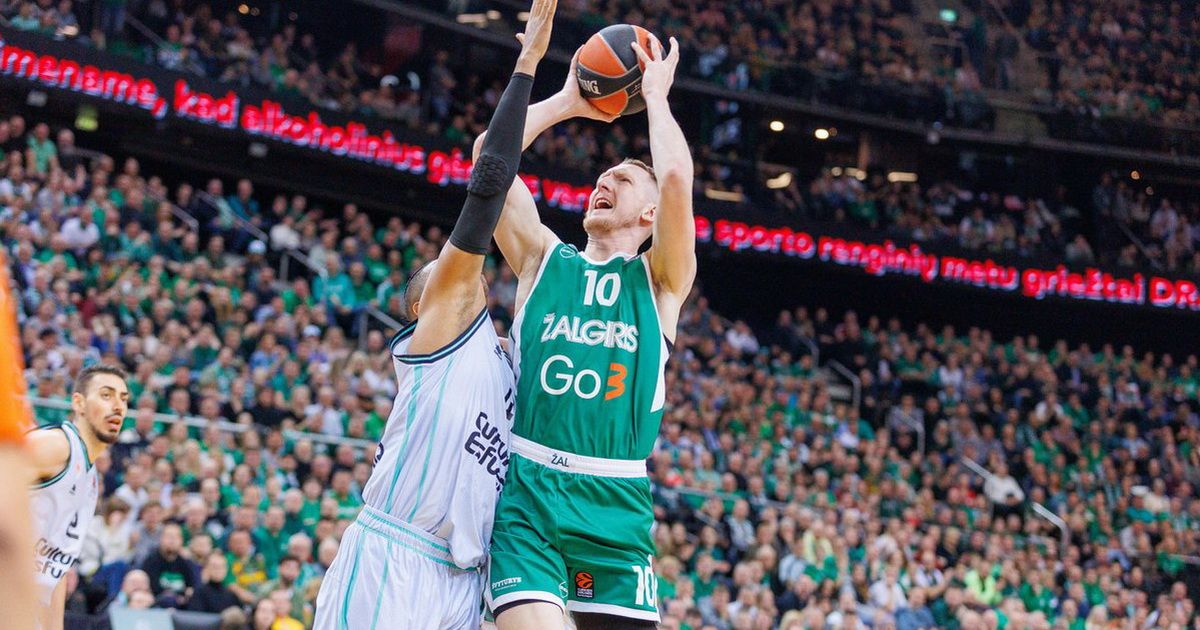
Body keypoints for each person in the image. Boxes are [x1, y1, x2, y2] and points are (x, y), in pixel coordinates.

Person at [311, 1, 555, 627]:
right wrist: (528, 68)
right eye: (440, 275)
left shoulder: (511, 366)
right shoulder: (442, 336)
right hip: (394, 557)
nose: (458, 275)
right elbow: (488, 180)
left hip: (464, 582)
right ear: (423, 308)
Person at [480, 27, 696, 629]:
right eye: (602, 177)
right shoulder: (541, 259)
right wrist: (567, 102)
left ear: (650, 213)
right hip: (527, 493)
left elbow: (676, 181)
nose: (603, 182)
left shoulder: (661, 282)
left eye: (621, 181)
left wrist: (656, 98)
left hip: (614, 502)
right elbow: (488, 162)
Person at [27, 364, 128, 630]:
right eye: (106, 395)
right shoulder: (54, 445)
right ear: (79, 403)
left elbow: (56, 568)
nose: (118, 406)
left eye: (123, 399)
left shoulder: (90, 480)